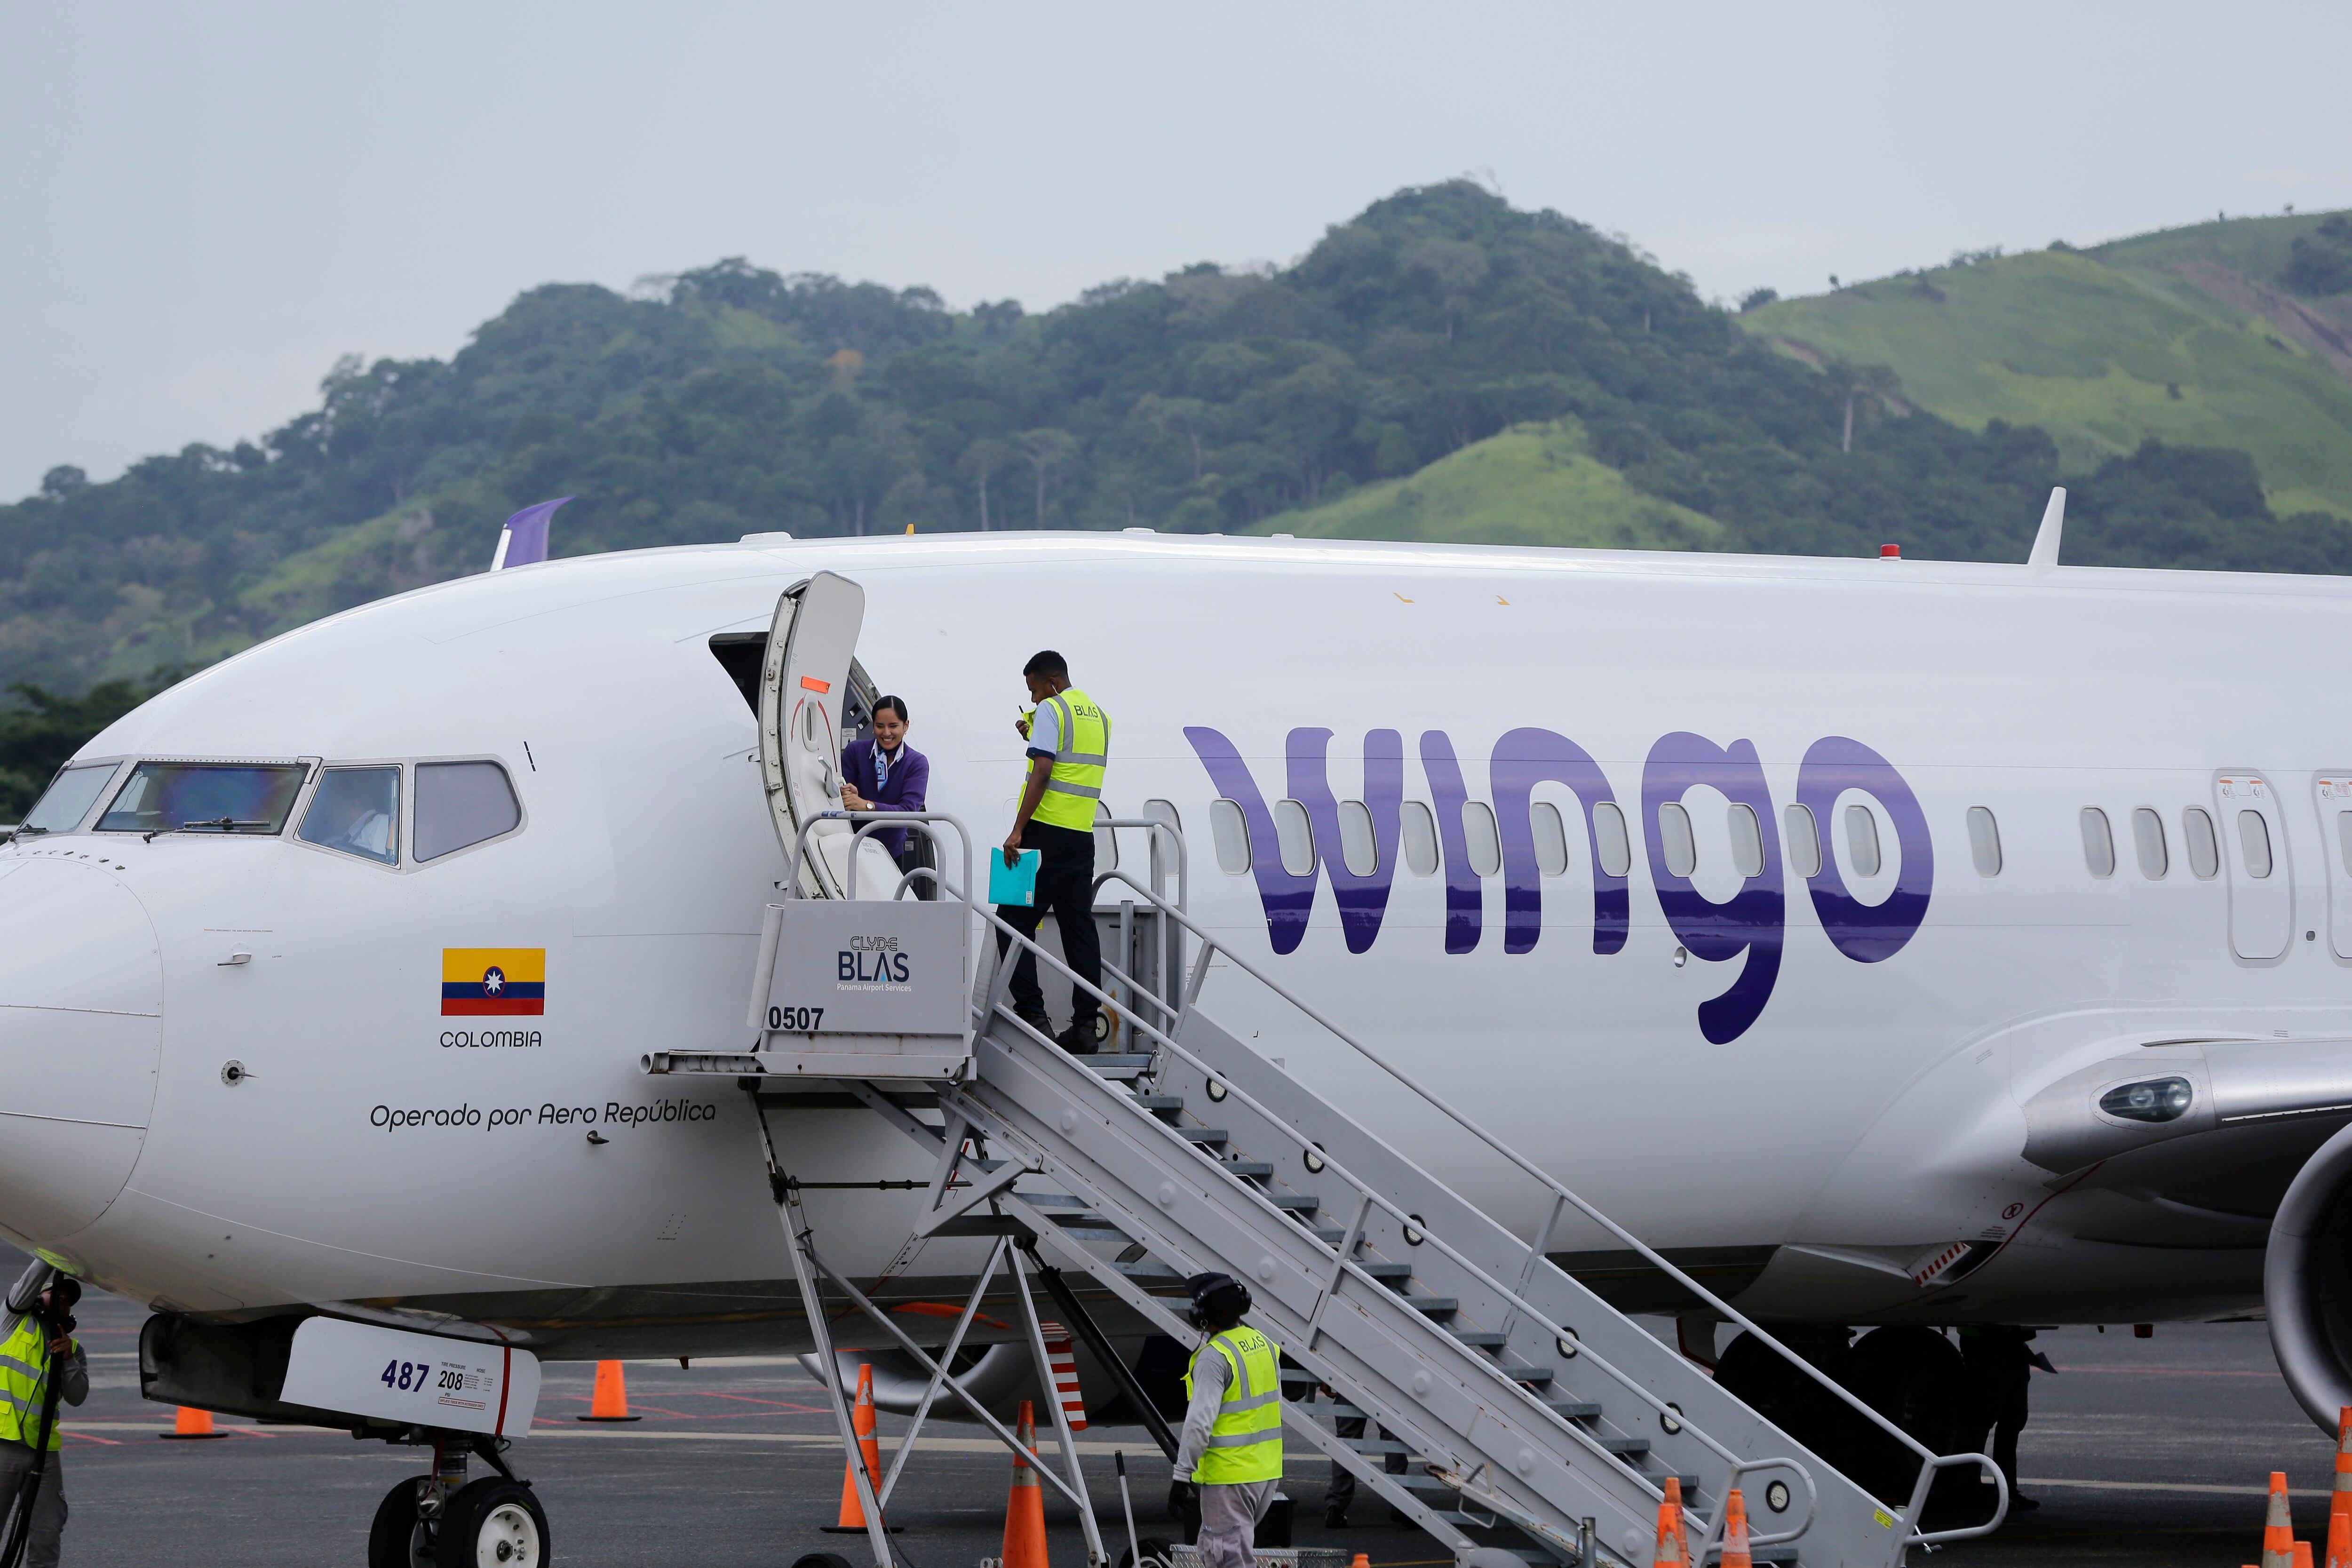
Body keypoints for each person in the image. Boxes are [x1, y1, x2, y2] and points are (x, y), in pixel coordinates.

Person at [996, 651, 1110, 1054]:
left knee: (1009, 920)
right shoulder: (1098, 716)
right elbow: (1072, 765)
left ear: (1052, 682)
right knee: (1079, 929)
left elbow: (1044, 770)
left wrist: (1018, 829)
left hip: (1045, 833)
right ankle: (1084, 1026)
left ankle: (1034, 1016)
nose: (1033, 699)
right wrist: (1033, 732)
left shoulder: (1052, 710)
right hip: (1081, 837)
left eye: (1034, 689)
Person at [1172, 1273, 1282, 1568]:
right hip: (1265, 1472)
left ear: (1202, 1316)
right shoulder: (1265, 1344)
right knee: (1233, 1550)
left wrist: (1182, 1475)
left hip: (1229, 1476)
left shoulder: (1214, 1357)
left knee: (1227, 1558)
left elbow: (1199, 1424)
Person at [0, 1276, 87, 1568]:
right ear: (39, 1294)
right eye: (56, 1293)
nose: (62, 1299)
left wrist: (67, 1361)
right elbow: (27, 1282)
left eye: (68, 1300)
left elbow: (77, 1396)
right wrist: (55, 1251)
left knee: (47, 1532)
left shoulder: (72, 1348)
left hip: (44, 1452)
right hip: (5, 1444)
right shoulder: (12, 1322)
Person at [840, 695, 933, 896]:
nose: (887, 733)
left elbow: (908, 811)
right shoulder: (856, 752)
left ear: (906, 726)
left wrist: (866, 806)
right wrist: (848, 794)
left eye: (894, 726)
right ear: (873, 726)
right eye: (880, 726)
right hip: (852, 850)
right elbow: (841, 799)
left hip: (892, 854)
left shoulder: (916, 763)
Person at [1957, 1325, 2051, 1512]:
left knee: (2012, 1419)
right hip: (1986, 1339)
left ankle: (2006, 1489)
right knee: (1982, 1420)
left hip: (2011, 1342)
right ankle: (1969, 1490)